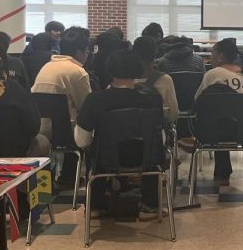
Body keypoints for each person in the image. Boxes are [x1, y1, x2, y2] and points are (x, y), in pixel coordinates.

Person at [74, 50, 165, 217]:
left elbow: (81, 140)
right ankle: (150, 204)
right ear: (138, 69)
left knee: (93, 149)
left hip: (106, 160)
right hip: (145, 159)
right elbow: (160, 137)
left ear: (110, 70)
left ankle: (95, 205)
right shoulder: (153, 99)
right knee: (151, 147)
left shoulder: (96, 99)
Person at [195, 37, 243, 185]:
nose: (211, 57)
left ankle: (221, 172)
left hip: (211, 131)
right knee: (226, 117)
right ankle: (223, 172)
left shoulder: (213, 74)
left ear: (221, 57)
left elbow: (198, 100)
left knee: (218, 117)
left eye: (213, 54)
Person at [30, 26, 93, 120]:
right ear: (79, 52)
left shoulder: (47, 66)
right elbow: (86, 108)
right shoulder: (78, 72)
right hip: (67, 128)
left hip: (39, 126)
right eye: (87, 51)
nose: (87, 55)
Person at [132, 35, 179, 123]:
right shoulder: (165, 80)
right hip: (155, 134)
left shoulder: (124, 81)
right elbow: (173, 115)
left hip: (127, 133)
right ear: (155, 55)